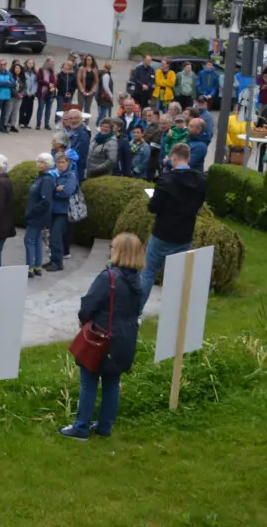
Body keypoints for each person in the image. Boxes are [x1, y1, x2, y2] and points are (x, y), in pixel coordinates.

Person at [59, 233, 146, 441]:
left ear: (120, 252)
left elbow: (88, 305)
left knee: (89, 382)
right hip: (125, 340)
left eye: (113, 247)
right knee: (111, 382)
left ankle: (81, 428)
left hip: (102, 339)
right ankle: (104, 426)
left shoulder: (109, 278)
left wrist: (85, 321)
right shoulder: (138, 281)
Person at [141, 143, 205, 302]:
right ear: (188, 158)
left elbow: (153, 207)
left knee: (148, 272)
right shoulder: (201, 180)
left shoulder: (166, 179)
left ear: (174, 159)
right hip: (185, 234)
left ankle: (137, 312)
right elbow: (199, 204)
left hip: (163, 233)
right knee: (177, 277)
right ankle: (175, 313)